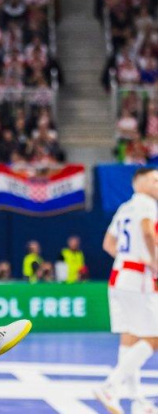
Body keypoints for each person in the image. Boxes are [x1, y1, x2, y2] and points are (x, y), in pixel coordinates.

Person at [94, 167, 158, 414]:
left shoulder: (123, 208)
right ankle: (110, 386)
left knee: (130, 338)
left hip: (119, 274)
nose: (156, 185)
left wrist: (127, 257)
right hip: (138, 277)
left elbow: (108, 244)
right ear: (138, 183)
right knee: (153, 338)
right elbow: (146, 231)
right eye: (153, 180)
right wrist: (153, 261)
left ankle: (138, 401)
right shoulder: (147, 205)